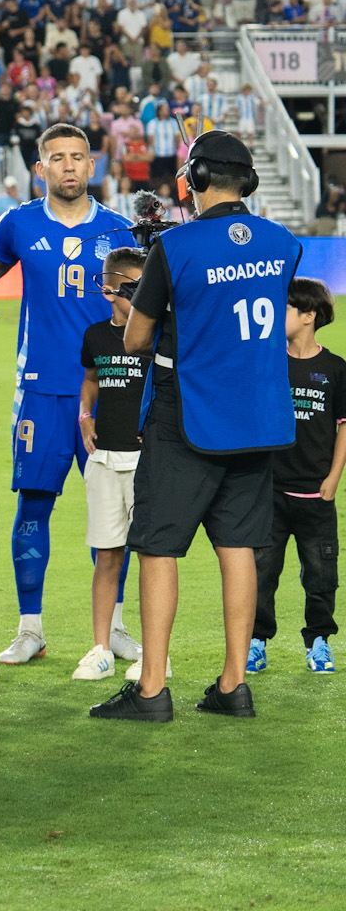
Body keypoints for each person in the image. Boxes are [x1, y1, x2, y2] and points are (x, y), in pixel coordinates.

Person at [92, 131, 302, 722]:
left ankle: (153, 689)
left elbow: (135, 339)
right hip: (258, 419)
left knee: (159, 548)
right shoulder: (283, 242)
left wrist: (141, 292)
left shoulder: (176, 247)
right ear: (250, 182)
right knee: (238, 549)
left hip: (187, 420)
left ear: (196, 179)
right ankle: (234, 685)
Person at [0, 124, 141, 667]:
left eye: (78, 157)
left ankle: (115, 625)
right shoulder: (18, 224)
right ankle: (31, 629)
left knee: (115, 515)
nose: (69, 166)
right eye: (58, 158)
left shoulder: (123, 231)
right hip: (40, 392)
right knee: (33, 506)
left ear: (92, 165)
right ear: (40, 168)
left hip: (108, 392)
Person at [249, 277, 345, 676]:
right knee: (260, 573)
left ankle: (319, 641)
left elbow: (344, 426)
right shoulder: (268, 360)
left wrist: (333, 478)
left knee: (321, 575)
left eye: (286, 308)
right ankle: (255, 641)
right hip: (270, 492)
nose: (277, 315)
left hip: (316, 496)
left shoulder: (336, 369)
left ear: (308, 316)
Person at [74, 246, 150, 683]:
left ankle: (153, 653)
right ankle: (101, 648)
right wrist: (85, 417)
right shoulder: (95, 337)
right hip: (104, 460)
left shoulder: (159, 335)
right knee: (107, 556)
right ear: (109, 290)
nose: (142, 296)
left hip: (146, 461)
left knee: (151, 559)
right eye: (133, 288)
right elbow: (90, 380)